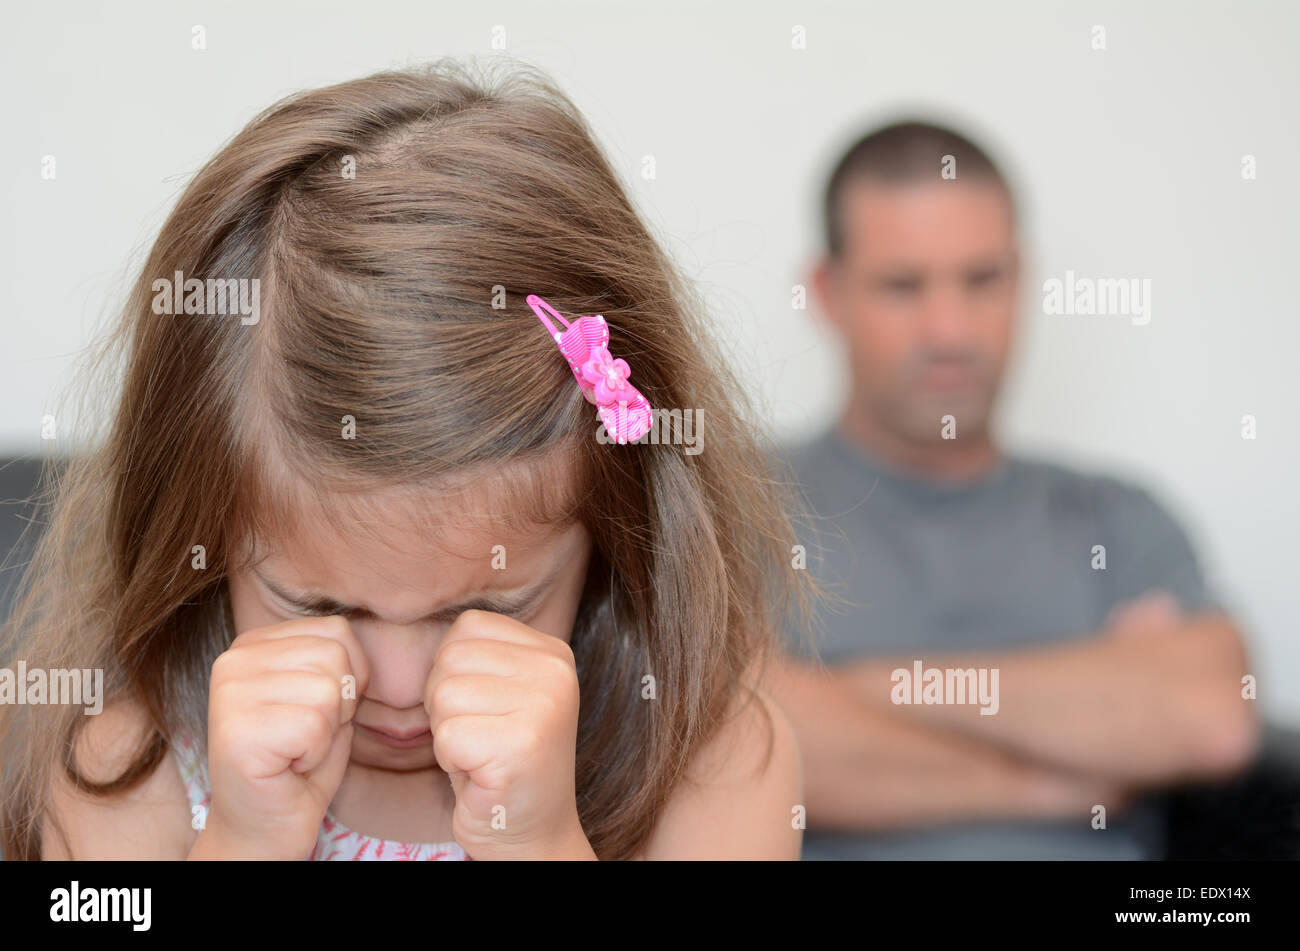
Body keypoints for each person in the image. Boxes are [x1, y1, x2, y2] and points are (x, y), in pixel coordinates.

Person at [0, 58, 810, 861]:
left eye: (483, 609)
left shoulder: (712, 766)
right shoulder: (129, 770)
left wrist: (538, 842)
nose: (395, 685)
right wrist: (247, 841)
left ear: (619, 534)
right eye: (318, 605)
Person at [764, 121, 1260, 860]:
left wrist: (852, 689)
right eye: (904, 285)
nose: (950, 328)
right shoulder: (731, 507)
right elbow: (731, 744)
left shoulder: (1115, 517)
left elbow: (1212, 715)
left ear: (1023, 277)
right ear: (829, 294)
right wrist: (1064, 775)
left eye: (982, 278)